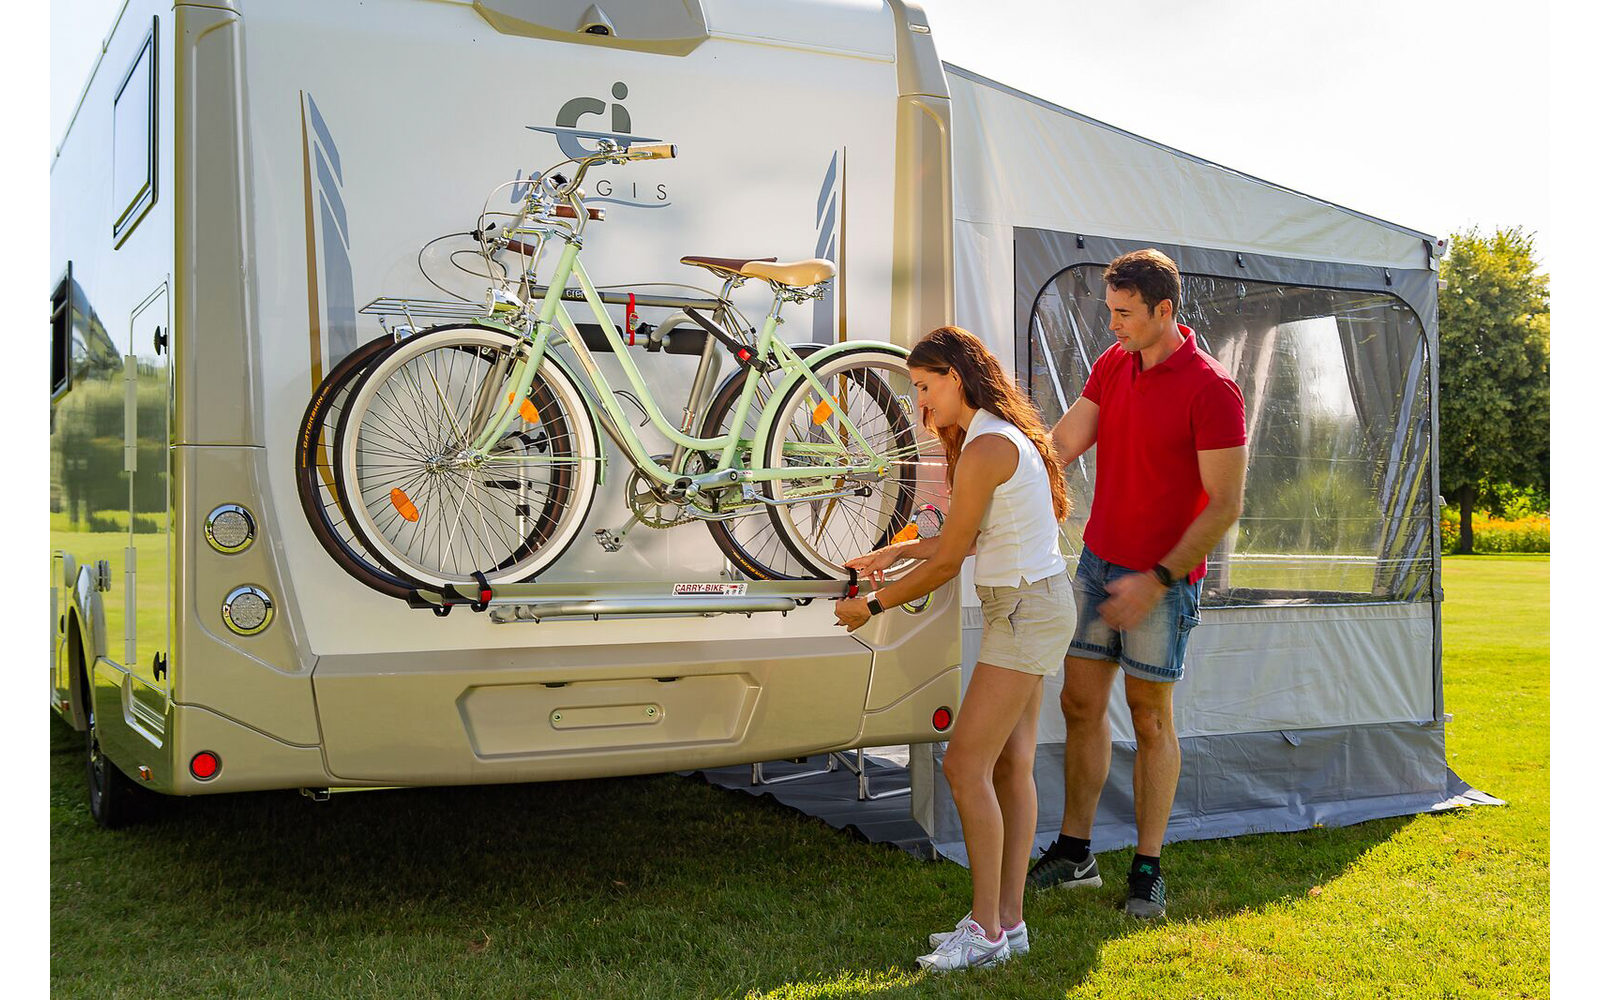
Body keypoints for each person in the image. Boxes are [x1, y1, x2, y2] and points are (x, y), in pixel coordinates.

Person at [834, 326, 1073, 971]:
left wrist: (872, 606)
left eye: (924, 386)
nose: (920, 401)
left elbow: (948, 565)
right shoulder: (992, 436)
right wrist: (894, 553)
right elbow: (959, 542)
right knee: (1010, 766)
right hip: (1029, 604)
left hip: (1024, 610)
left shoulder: (987, 446)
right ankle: (1009, 925)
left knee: (966, 767)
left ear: (955, 377)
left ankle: (987, 931)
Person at [1025, 249, 1247, 920]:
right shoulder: (1113, 364)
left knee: (1150, 719)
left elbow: (1225, 505)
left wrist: (1157, 579)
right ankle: (1076, 854)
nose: (1113, 324)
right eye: (1110, 311)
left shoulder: (1213, 390)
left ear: (1163, 310)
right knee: (1080, 705)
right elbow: (1062, 445)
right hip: (1098, 566)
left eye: (1124, 313)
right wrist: (998, 468)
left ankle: (1147, 868)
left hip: (1162, 582)